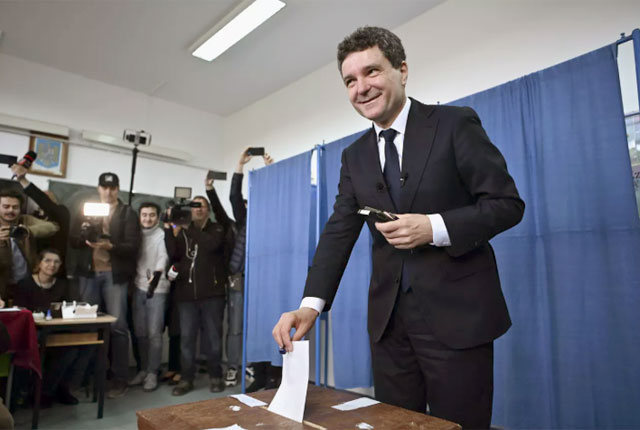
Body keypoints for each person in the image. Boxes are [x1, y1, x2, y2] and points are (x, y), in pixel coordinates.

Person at [272, 26, 525, 429]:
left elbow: (507, 205)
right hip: (389, 327)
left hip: (458, 319)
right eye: (350, 80)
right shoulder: (354, 156)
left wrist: (434, 227)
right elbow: (339, 231)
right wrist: (310, 305)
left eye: (371, 71)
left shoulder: (454, 124)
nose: (361, 88)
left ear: (402, 70)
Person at [69, 172, 140, 399]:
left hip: (114, 275)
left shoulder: (127, 212)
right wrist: (85, 235)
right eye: (104, 187)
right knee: (88, 326)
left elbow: (133, 246)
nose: (108, 192)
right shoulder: (86, 209)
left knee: (118, 327)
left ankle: (119, 379)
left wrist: (111, 245)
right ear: (98, 188)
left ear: (117, 189)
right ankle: (86, 378)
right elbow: (73, 241)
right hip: (88, 273)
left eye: (112, 188)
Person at [165, 182, 233, 396]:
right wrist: (169, 230)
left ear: (208, 210)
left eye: (202, 205)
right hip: (186, 294)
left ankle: (215, 376)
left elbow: (210, 245)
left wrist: (189, 228)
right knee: (187, 339)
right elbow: (173, 254)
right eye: (194, 205)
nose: (198, 209)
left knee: (213, 338)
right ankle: (186, 379)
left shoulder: (217, 229)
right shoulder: (183, 231)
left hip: (212, 293)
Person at [13, 249, 91, 408]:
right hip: (33, 331)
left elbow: (72, 306)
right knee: (42, 347)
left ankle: (55, 390)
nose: (52, 265)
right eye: (47, 261)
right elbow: (20, 311)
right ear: (39, 263)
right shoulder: (25, 284)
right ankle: (36, 392)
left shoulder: (64, 284)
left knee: (75, 348)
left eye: (56, 262)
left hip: (58, 330)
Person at [227, 148, 275, 390]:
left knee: (266, 325)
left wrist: (272, 171)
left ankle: (267, 374)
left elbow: (279, 194)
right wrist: (240, 166)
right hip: (244, 278)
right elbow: (234, 197)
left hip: (266, 279)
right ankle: (253, 372)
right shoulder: (246, 218)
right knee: (245, 327)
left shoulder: (275, 217)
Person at [128, 202, 170, 392]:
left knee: (154, 333)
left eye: (152, 215)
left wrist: (158, 273)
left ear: (158, 217)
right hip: (138, 287)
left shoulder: (162, 235)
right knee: (140, 333)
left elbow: (163, 257)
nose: (147, 219)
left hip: (157, 288)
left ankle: (153, 372)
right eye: (144, 215)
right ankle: (143, 369)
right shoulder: (135, 234)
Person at [10, 164, 70, 278]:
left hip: (54, 269)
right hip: (34, 268)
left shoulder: (62, 213)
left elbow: (45, 202)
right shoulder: (32, 217)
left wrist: (23, 180)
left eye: (46, 199)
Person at [0, 189, 59, 302]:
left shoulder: (25, 220)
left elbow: (53, 227)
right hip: (2, 284)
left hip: (26, 283)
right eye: (6, 207)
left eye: (15, 207)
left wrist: (26, 231)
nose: (11, 210)